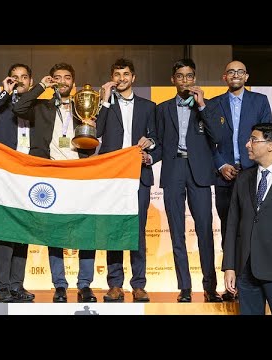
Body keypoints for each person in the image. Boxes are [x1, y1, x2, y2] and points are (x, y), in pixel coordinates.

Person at [13, 62, 97, 303]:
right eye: (57, 77)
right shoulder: (41, 106)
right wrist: (41, 86)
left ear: (73, 81)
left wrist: (94, 126)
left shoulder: (86, 104)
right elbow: (19, 107)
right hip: (50, 173)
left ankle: (85, 284)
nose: (62, 81)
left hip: (81, 171)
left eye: (67, 77)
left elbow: (103, 132)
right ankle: (59, 285)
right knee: (54, 232)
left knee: (86, 231)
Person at [154, 59, 223, 303]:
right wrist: (143, 158)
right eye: (180, 76)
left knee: (205, 231)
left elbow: (219, 137)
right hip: (174, 171)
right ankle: (184, 287)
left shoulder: (209, 106)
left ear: (195, 78)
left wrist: (202, 106)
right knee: (177, 233)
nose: (185, 80)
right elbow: (159, 144)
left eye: (189, 76)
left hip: (200, 173)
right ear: (173, 80)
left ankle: (210, 287)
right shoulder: (161, 109)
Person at [95, 58, 158, 303]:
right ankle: (115, 284)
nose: (121, 78)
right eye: (117, 74)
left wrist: (149, 149)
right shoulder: (106, 105)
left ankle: (139, 285)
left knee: (137, 231)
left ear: (134, 77)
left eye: (125, 74)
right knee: (113, 230)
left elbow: (156, 139)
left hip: (139, 176)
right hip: (113, 176)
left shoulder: (149, 106)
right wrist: (104, 101)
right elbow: (96, 132)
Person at [210, 60, 272, 301]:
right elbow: (208, 141)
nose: (235, 75)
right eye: (231, 72)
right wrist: (221, 164)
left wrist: (255, 165)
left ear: (246, 77)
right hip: (225, 175)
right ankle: (231, 285)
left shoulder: (260, 101)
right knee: (229, 229)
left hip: (253, 174)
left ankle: (256, 281)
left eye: (240, 71)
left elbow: (268, 134)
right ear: (224, 77)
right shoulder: (214, 104)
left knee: (254, 228)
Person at [0, 63, 35, 302]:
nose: (19, 81)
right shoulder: (0, 104)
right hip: (4, 173)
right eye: (15, 77)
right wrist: (4, 92)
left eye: (24, 77)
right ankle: (1, 285)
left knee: (23, 231)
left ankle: (16, 285)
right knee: (4, 230)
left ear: (31, 82)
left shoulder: (37, 104)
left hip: (30, 173)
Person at [223, 123, 272, 315]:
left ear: (271, 145)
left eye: (253, 139)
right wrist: (229, 266)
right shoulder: (243, 178)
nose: (247, 144)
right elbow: (233, 224)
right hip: (245, 269)